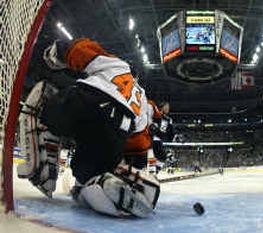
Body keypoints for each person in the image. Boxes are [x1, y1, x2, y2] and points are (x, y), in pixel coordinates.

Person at [18, 38, 159, 217]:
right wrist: (134, 168)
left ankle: (42, 167)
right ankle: (98, 183)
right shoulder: (143, 100)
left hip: (87, 103)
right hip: (117, 131)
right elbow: (139, 143)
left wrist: (57, 53)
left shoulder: (118, 65)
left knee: (45, 97)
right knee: (86, 174)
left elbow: (83, 50)